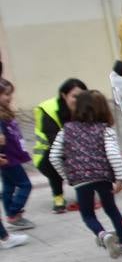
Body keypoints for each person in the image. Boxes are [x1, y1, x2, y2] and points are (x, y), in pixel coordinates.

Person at [49, 90, 122, 258]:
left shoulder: (66, 130)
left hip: (80, 179)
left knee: (87, 214)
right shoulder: (105, 130)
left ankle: (103, 234)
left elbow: (53, 156)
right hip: (102, 176)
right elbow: (113, 155)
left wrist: (67, 176)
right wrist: (119, 178)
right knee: (112, 209)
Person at [32, 78, 85, 212]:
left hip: (72, 150)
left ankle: (85, 192)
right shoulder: (49, 110)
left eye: (82, 96)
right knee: (54, 159)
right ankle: (58, 197)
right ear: (64, 95)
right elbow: (54, 141)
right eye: (74, 96)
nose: (78, 100)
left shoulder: (85, 107)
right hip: (47, 154)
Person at [0, 79, 35, 231]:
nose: (10, 97)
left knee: (8, 187)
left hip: (12, 155)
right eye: (6, 94)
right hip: (7, 158)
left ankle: (12, 215)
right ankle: (14, 213)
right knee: (25, 184)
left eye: (10, 94)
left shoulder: (5, 112)